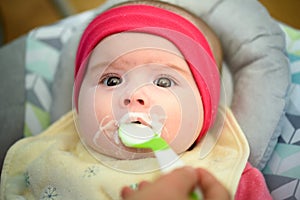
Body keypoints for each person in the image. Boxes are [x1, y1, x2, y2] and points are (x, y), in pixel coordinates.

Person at [0, 1, 272, 199]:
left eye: (164, 82)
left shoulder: (226, 179)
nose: (133, 96)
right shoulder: (49, 162)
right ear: (78, 106)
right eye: (112, 80)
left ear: (206, 110)